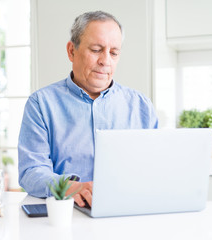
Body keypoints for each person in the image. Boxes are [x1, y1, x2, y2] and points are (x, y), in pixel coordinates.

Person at [18, 11, 158, 207]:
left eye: (114, 53)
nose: (105, 60)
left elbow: (155, 169)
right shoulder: (41, 104)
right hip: (66, 213)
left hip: (128, 212)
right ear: (71, 51)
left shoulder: (141, 106)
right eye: (95, 50)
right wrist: (70, 187)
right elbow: (31, 172)